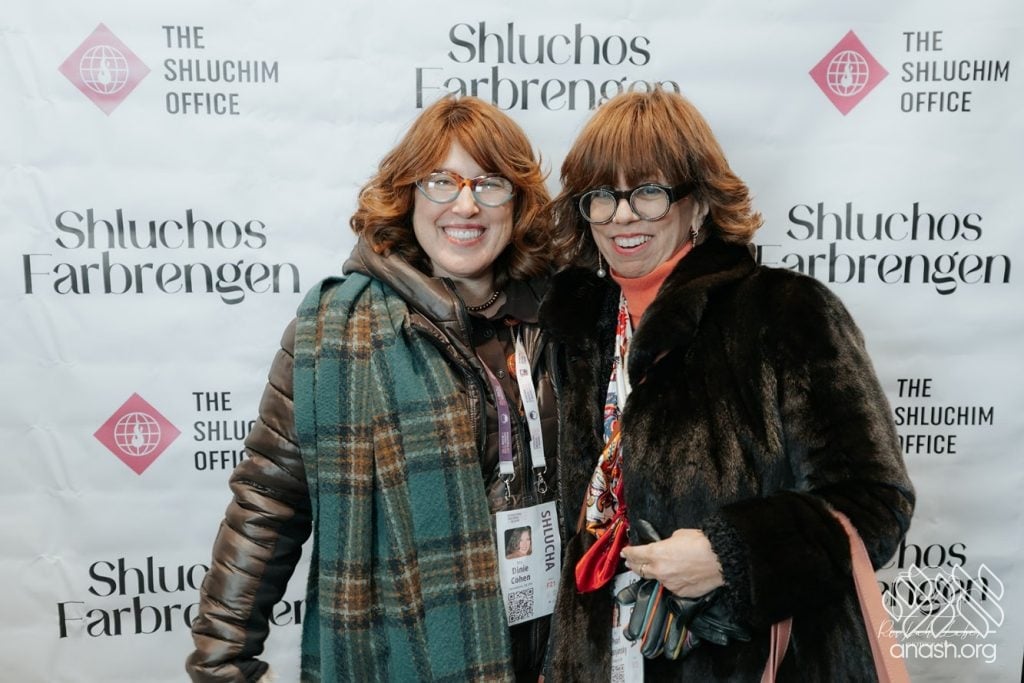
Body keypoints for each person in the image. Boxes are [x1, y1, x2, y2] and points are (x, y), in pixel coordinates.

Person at [540, 88, 914, 681]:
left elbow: (875, 502)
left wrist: (731, 555)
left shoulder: (783, 311)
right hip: (606, 655)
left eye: (648, 192)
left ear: (698, 204)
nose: (622, 216)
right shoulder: (576, 332)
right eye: (602, 196)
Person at [186, 95, 562, 683]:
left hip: (556, 650)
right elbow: (267, 503)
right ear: (408, 194)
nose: (466, 204)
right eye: (441, 181)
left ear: (517, 202)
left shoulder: (561, 322)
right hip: (407, 655)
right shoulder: (331, 333)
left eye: (490, 184)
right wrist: (222, 659)